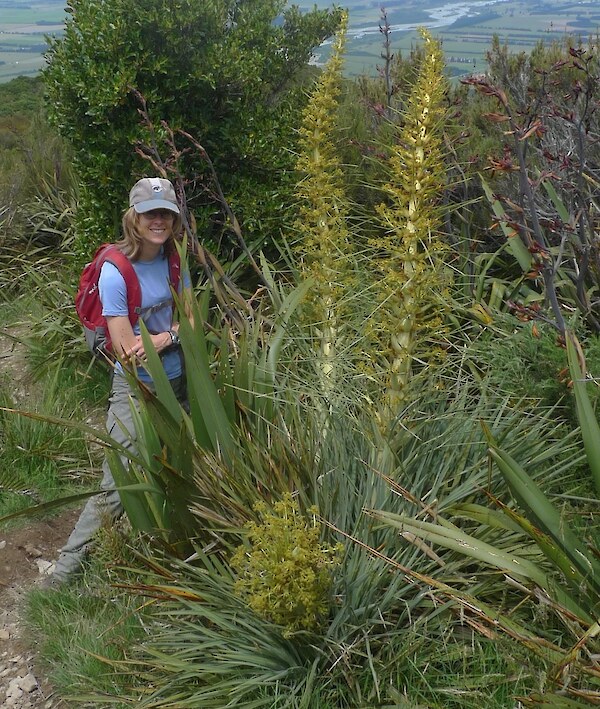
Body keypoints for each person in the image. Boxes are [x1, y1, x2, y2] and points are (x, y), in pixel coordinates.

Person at [47, 177, 192, 586]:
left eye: (165, 213)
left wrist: (166, 337)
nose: (158, 221)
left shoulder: (174, 259)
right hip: (137, 387)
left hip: (178, 383)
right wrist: (172, 335)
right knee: (118, 486)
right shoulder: (116, 272)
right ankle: (64, 574)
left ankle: (180, 552)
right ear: (135, 217)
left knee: (188, 465)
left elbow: (193, 317)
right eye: (150, 213)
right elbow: (128, 350)